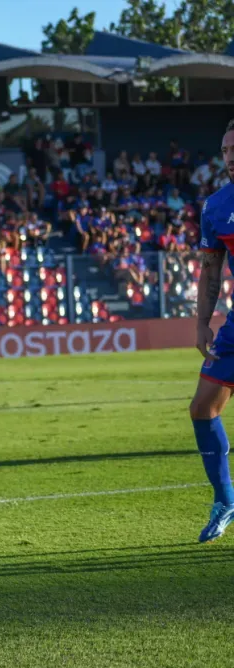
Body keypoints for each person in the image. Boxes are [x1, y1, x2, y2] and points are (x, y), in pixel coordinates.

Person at [192, 119, 234, 542]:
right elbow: (210, 267)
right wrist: (203, 322)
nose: (230, 157)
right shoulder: (217, 206)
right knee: (203, 408)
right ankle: (226, 500)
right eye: (225, 150)